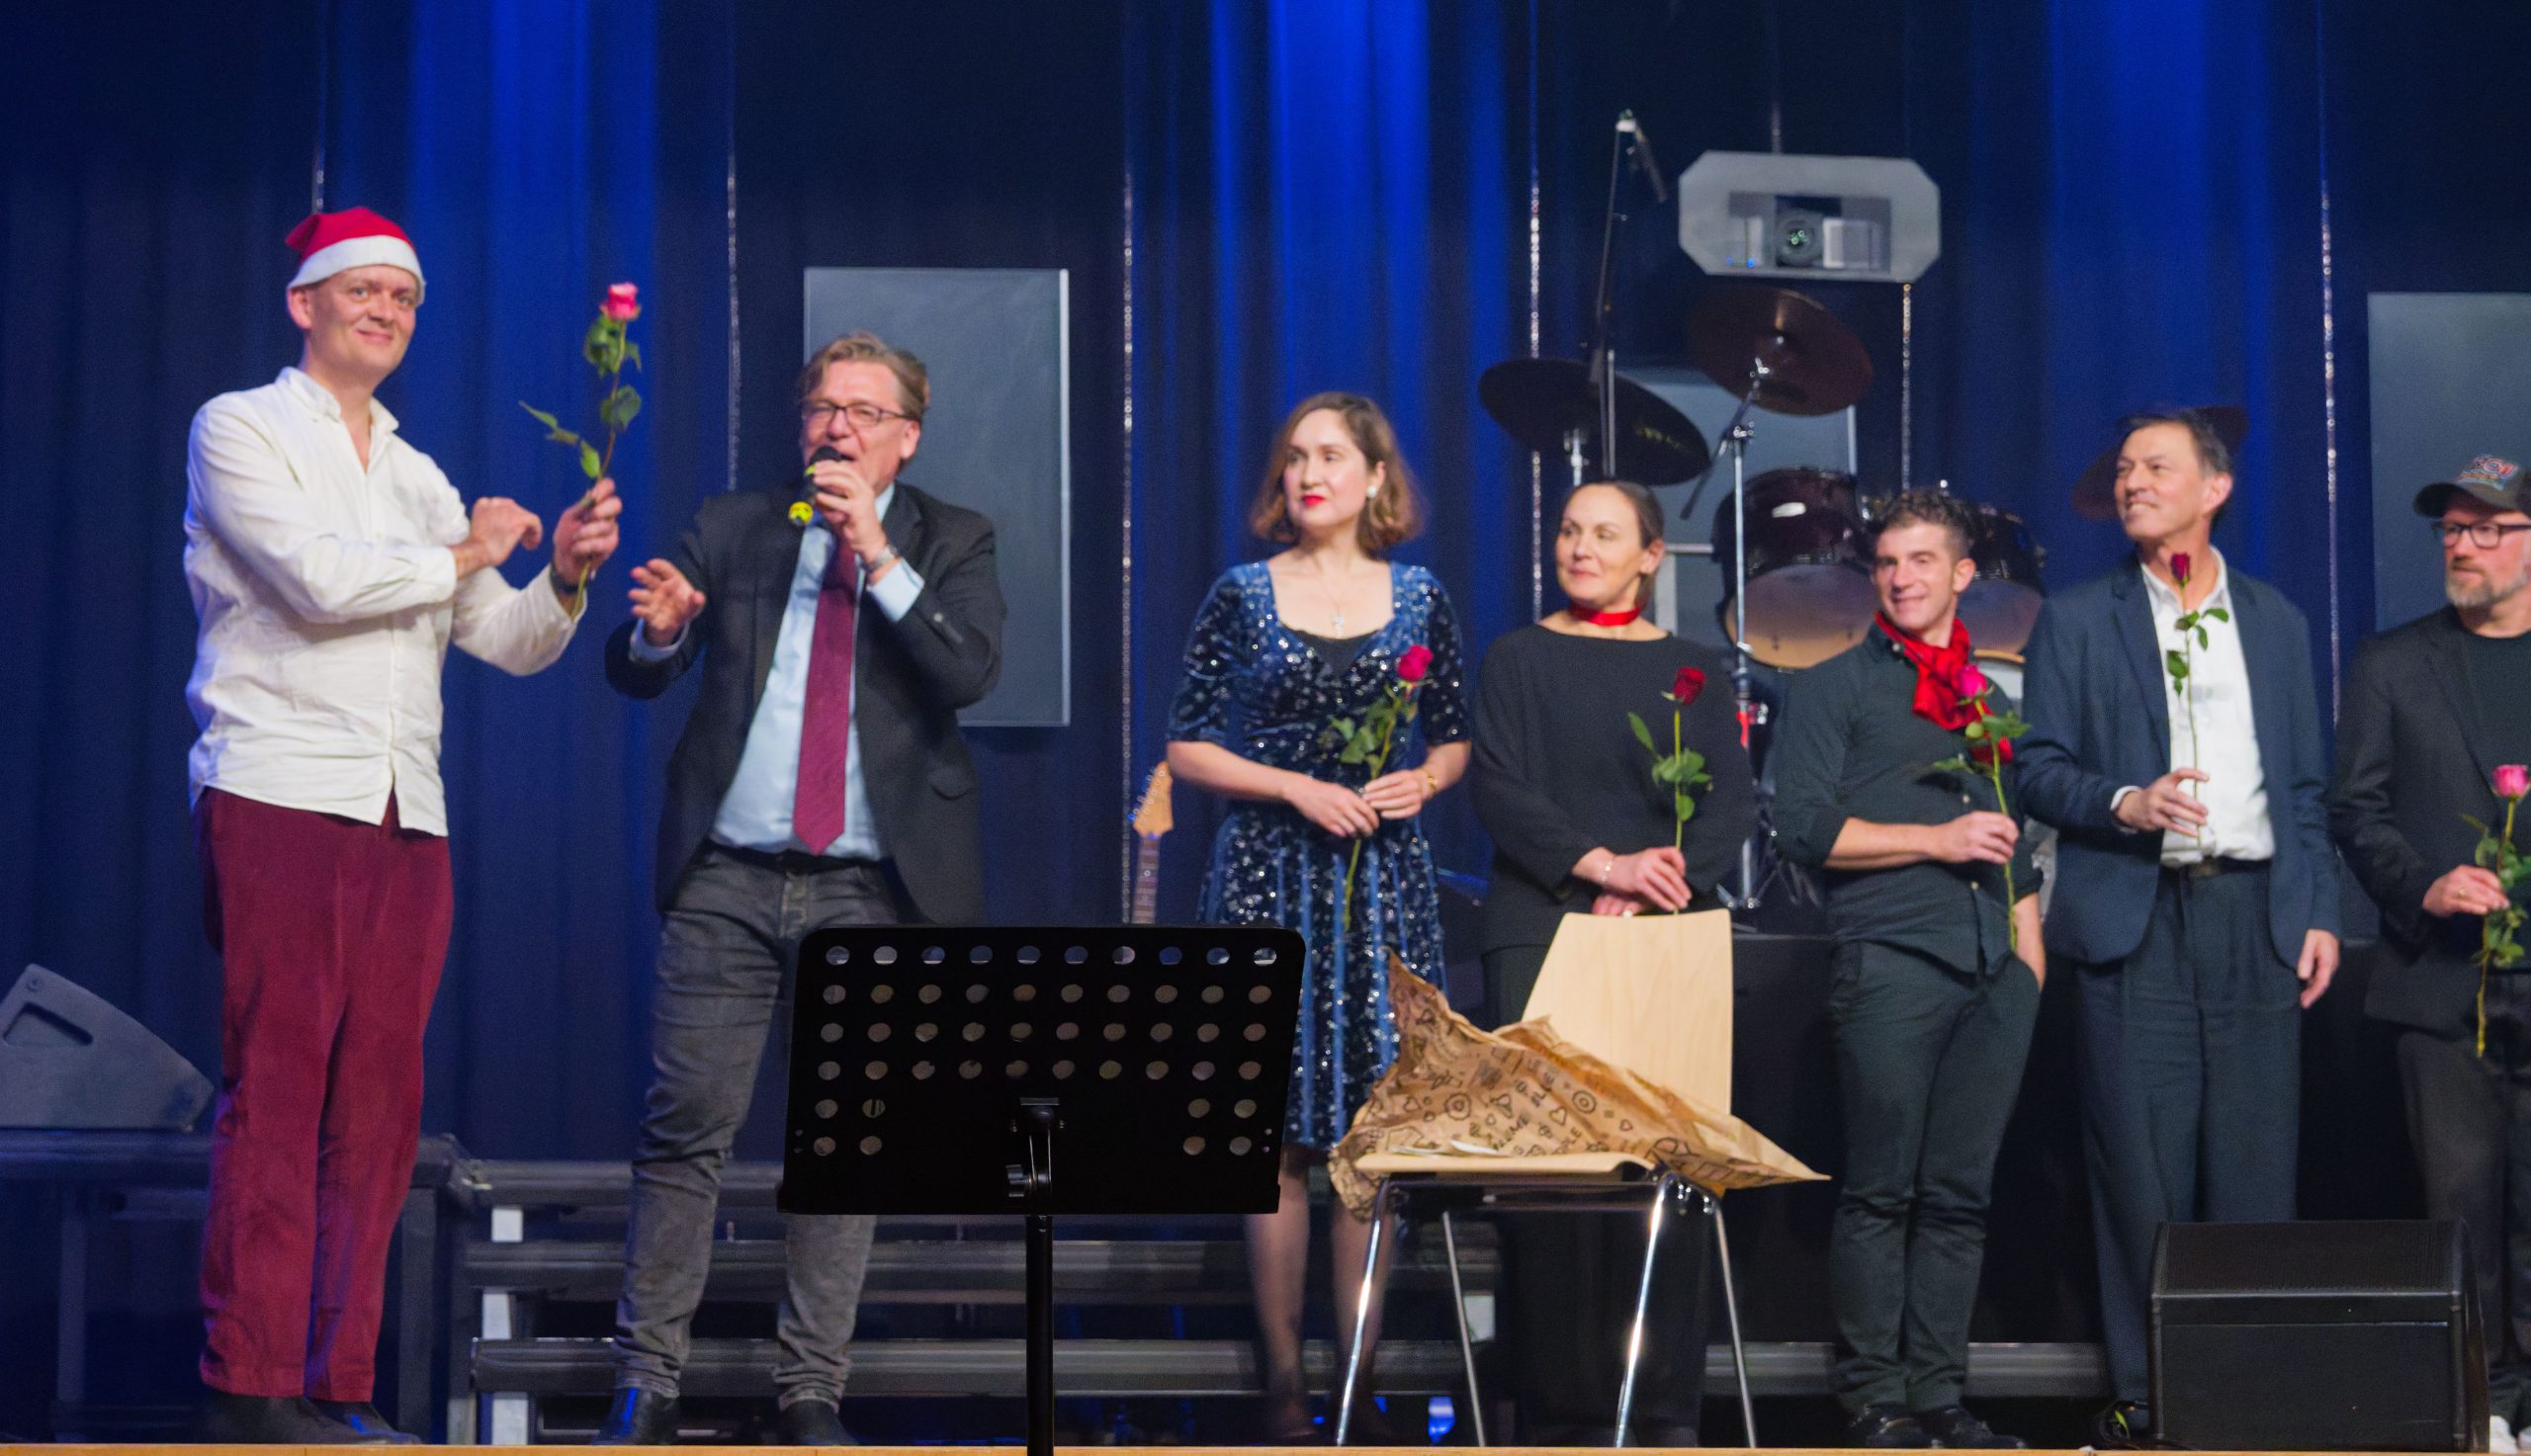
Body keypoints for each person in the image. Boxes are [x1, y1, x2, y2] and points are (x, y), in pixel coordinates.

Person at [185, 207, 619, 1444]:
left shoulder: (417, 472)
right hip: (282, 783)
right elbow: (320, 583)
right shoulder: (241, 427)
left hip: (402, 805)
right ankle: (248, 1381)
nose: (386, 311)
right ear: (305, 303)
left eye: (405, 298)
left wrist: (564, 575)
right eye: (364, 290)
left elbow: (509, 642)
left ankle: (335, 1380)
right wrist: (469, 549)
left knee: (377, 1105)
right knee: (279, 1086)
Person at [593, 331, 1004, 1445]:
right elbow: (638, 670)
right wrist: (656, 631)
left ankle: (811, 1390)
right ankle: (647, 1384)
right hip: (728, 875)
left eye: (865, 412)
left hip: (868, 888)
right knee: (685, 1129)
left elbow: (967, 670)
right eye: (824, 407)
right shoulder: (734, 526)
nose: (838, 428)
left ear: (906, 438)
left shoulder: (953, 538)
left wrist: (877, 552)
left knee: (844, 1143)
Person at [2016, 408, 2341, 1446]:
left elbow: (2303, 787)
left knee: (2254, 1174)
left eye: (2156, 466)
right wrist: (2127, 802)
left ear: (2216, 488)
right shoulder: (2079, 618)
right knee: (2137, 1178)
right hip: (2134, 919)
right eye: (2123, 469)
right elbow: (2036, 767)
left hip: (2255, 920)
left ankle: (2248, 1403)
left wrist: (2319, 909)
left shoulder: (2276, 620)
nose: (2131, 482)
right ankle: (2149, 1402)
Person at [1165, 392, 1470, 1441]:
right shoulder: (1242, 593)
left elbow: (1454, 735)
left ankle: (1356, 1391)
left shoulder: (1420, 597)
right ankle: (1284, 1389)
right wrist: (1293, 787)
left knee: (1368, 1142)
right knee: (1276, 1140)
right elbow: (1186, 745)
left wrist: (1424, 780)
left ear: (1376, 477)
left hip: (1380, 883)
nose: (1308, 474)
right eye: (1295, 457)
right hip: (1268, 877)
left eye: (1331, 456)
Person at [1467, 478, 1754, 1445]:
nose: (1579, 547)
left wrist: (1656, 880)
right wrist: (1599, 864)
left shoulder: (1693, 668)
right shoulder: (1517, 657)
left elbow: (1729, 802)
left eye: (1603, 533)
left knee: (1667, 1169)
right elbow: (1498, 788)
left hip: (1663, 931)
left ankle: (1661, 1407)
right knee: (1553, 1178)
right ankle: (1558, 1412)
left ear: (1650, 556)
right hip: (1544, 925)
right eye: (1567, 530)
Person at [1772, 490, 2045, 1450]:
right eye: (1887, 562)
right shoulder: (1833, 686)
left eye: (1921, 560)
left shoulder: (1989, 701)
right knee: (1882, 1187)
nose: (1900, 577)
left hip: (1993, 967)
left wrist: (2028, 965)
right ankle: (1875, 1400)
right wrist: (1935, 840)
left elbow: (2018, 841)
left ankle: (1938, 1395)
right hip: (1891, 956)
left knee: (1959, 1193)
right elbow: (1802, 829)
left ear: (1962, 573)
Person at [2330, 455, 2531, 1453]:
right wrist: (2423, 886)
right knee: (2460, 1209)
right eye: (2451, 529)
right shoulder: (2392, 663)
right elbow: (2353, 811)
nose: (2462, 546)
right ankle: (2484, 1405)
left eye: (2487, 528)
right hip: (2442, 984)